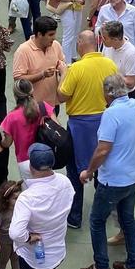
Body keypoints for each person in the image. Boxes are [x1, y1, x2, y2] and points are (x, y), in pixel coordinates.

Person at [77, 74, 135, 269]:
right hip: (134, 176)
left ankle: (101, 267)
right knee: (127, 218)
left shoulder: (110, 114)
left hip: (113, 180)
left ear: (108, 93)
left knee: (97, 220)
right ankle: (133, 263)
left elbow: (103, 149)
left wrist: (89, 171)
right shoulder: (134, 105)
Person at [56, 30, 118, 228]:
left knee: (75, 170)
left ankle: (75, 217)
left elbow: (61, 96)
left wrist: (63, 74)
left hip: (80, 126)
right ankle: (103, 211)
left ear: (81, 43)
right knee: (103, 167)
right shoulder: (110, 64)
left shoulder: (76, 68)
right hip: (105, 121)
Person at [9, 143, 75, 269]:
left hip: (33, 259)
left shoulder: (27, 198)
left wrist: (29, 237)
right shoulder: (65, 182)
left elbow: (15, 233)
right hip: (56, 251)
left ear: (31, 167)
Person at [0, 80, 54, 180]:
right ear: (32, 91)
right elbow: (57, 127)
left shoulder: (11, 117)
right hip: (45, 155)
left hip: (25, 161)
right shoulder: (43, 107)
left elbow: (7, 143)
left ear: (16, 96)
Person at [12, 15, 66, 107]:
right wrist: (42, 75)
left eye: (54, 34)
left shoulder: (55, 45)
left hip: (53, 103)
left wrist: (62, 68)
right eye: (50, 35)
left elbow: (61, 64)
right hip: (33, 106)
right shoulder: (23, 51)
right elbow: (18, 79)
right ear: (40, 34)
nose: (54, 38)